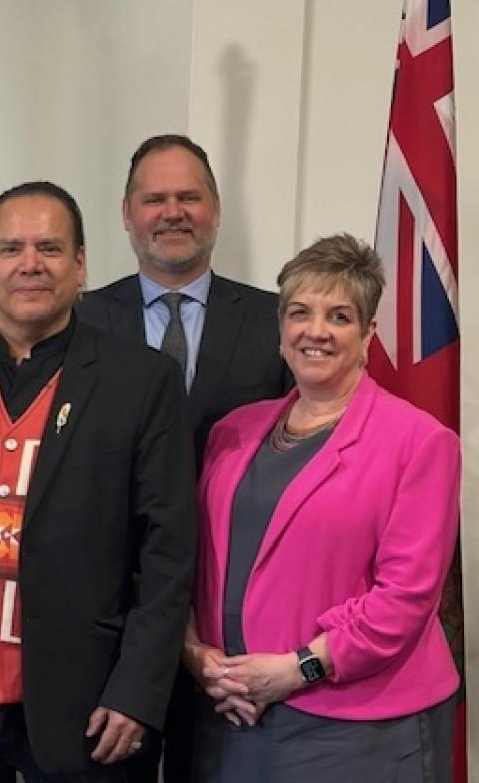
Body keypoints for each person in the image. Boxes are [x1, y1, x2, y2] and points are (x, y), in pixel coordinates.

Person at [0, 182, 196, 781]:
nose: (30, 264)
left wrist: (137, 691)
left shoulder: (141, 381)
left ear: (80, 267)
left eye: (49, 248)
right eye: (11, 248)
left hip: (87, 704)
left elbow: (169, 555)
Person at [185, 234, 459, 782]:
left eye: (339, 316)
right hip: (232, 712)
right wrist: (195, 653)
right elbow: (192, 561)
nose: (316, 331)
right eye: (300, 313)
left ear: (367, 336)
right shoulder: (231, 432)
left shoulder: (420, 442)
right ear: (281, 331)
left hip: (360, 726)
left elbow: (405, 600)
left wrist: (299, 668)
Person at [76, 133, 291, 782]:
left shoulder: (277, 322)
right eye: (155, 199)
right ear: (127, 213)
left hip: (238, 621)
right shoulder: (80, 322)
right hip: (109, 619)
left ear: (215, 209)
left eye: (189, 197)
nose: (173, 212)